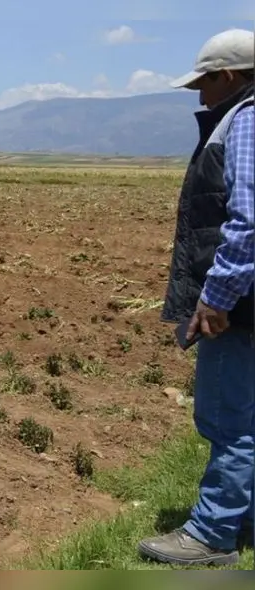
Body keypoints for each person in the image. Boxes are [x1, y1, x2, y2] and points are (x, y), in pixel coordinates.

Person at [139, 27, 254, 567]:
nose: (199, 96)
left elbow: (247, 222)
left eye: (204, 84)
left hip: (242, 308)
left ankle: (211, 535)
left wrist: (217, 297)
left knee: (228, 417)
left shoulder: (247, 120)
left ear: (228, 76)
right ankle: (242, 517)